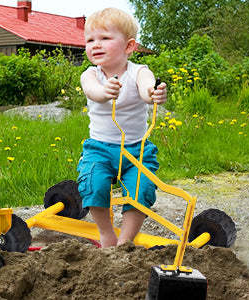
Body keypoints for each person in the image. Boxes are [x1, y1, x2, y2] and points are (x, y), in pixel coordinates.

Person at [77, 7, 167, 248]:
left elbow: (145, 89)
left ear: (129, 47)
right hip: (99, 148)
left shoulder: (139, 72)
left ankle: (125, 241)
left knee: (142, 190)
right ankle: (106, 233)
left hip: (137, 149)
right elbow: (92, 92)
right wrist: (104, 92)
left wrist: (153, 93)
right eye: (90, 40)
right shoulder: (91, 75)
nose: (96, 44)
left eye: (105, 38)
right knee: (92, 184)